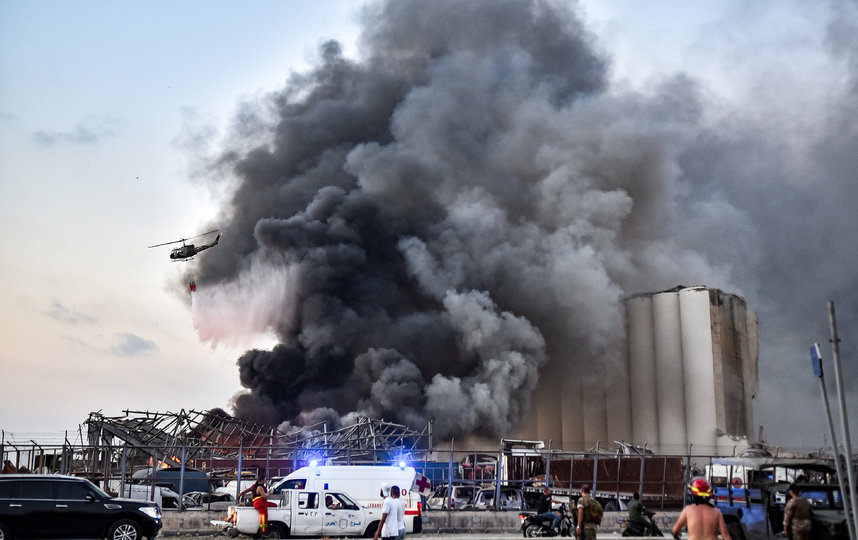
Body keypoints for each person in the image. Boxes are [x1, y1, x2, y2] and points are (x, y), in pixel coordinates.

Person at [239, 473, 277, 538]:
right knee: (263, 516)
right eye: (264, 480)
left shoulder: (255, 486)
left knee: (274, 505)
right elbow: (265, 496)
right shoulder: (260, 487)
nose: (265, 481)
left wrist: (240, 494)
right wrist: (269, 493)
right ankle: (263, 532)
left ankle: (265, 530)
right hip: (260, 503)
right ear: (261, 480)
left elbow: (248, 490)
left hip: (261, 502)